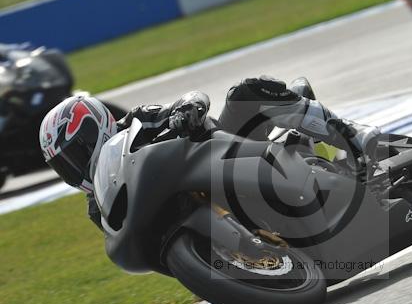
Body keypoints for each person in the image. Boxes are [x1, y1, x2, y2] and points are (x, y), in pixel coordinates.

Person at [39, 76, 380, 229]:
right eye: (65, 165)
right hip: (208, 207)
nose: (77, 165)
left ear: (95, 125)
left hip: (229, 152)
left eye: (77, 150)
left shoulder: (137, 120)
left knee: (245, 92)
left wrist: (186, 110)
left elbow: (194, 97)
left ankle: (350, 135)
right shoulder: (99, 208)